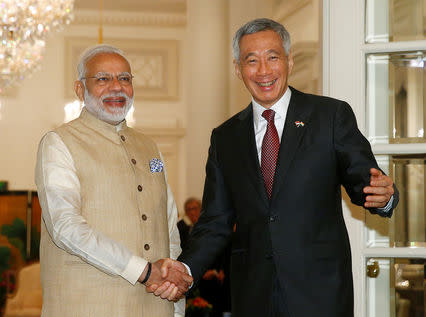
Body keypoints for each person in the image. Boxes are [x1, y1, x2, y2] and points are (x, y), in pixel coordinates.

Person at [150, 18, 399, 317]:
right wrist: (186, 267)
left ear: (289, 61)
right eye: (251, 60)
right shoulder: (225, 137)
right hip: (253, 294)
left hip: (319, 294)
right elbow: (215, 221)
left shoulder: (330, 116)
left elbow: (365, 182)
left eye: (272, 57)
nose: (263, 71)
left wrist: (385, 196)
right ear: (238, 69)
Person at [35, 44, 192, 317]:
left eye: (125, 78)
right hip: (86, 306)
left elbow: (168, 226)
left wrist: (174, 293)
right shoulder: (59, 143)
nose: (116, 87)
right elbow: (65, 227)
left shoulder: (150, 149)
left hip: (155, 307)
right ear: (80, 90)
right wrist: (143, 271)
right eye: (103, 79)